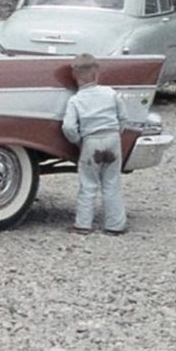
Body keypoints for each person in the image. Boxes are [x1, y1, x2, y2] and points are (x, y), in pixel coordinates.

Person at [61, 54, 128, 235]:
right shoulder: (111, 93)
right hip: (112, 138)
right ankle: (115, 225)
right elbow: (123, 117)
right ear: (97, 73)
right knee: (112, 183)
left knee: (88, 184)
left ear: (75, 76)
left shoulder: (76, 100)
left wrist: (78, 141)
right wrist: (116, 133)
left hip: (91, 141)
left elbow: (68, 126)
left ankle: (83, 224)